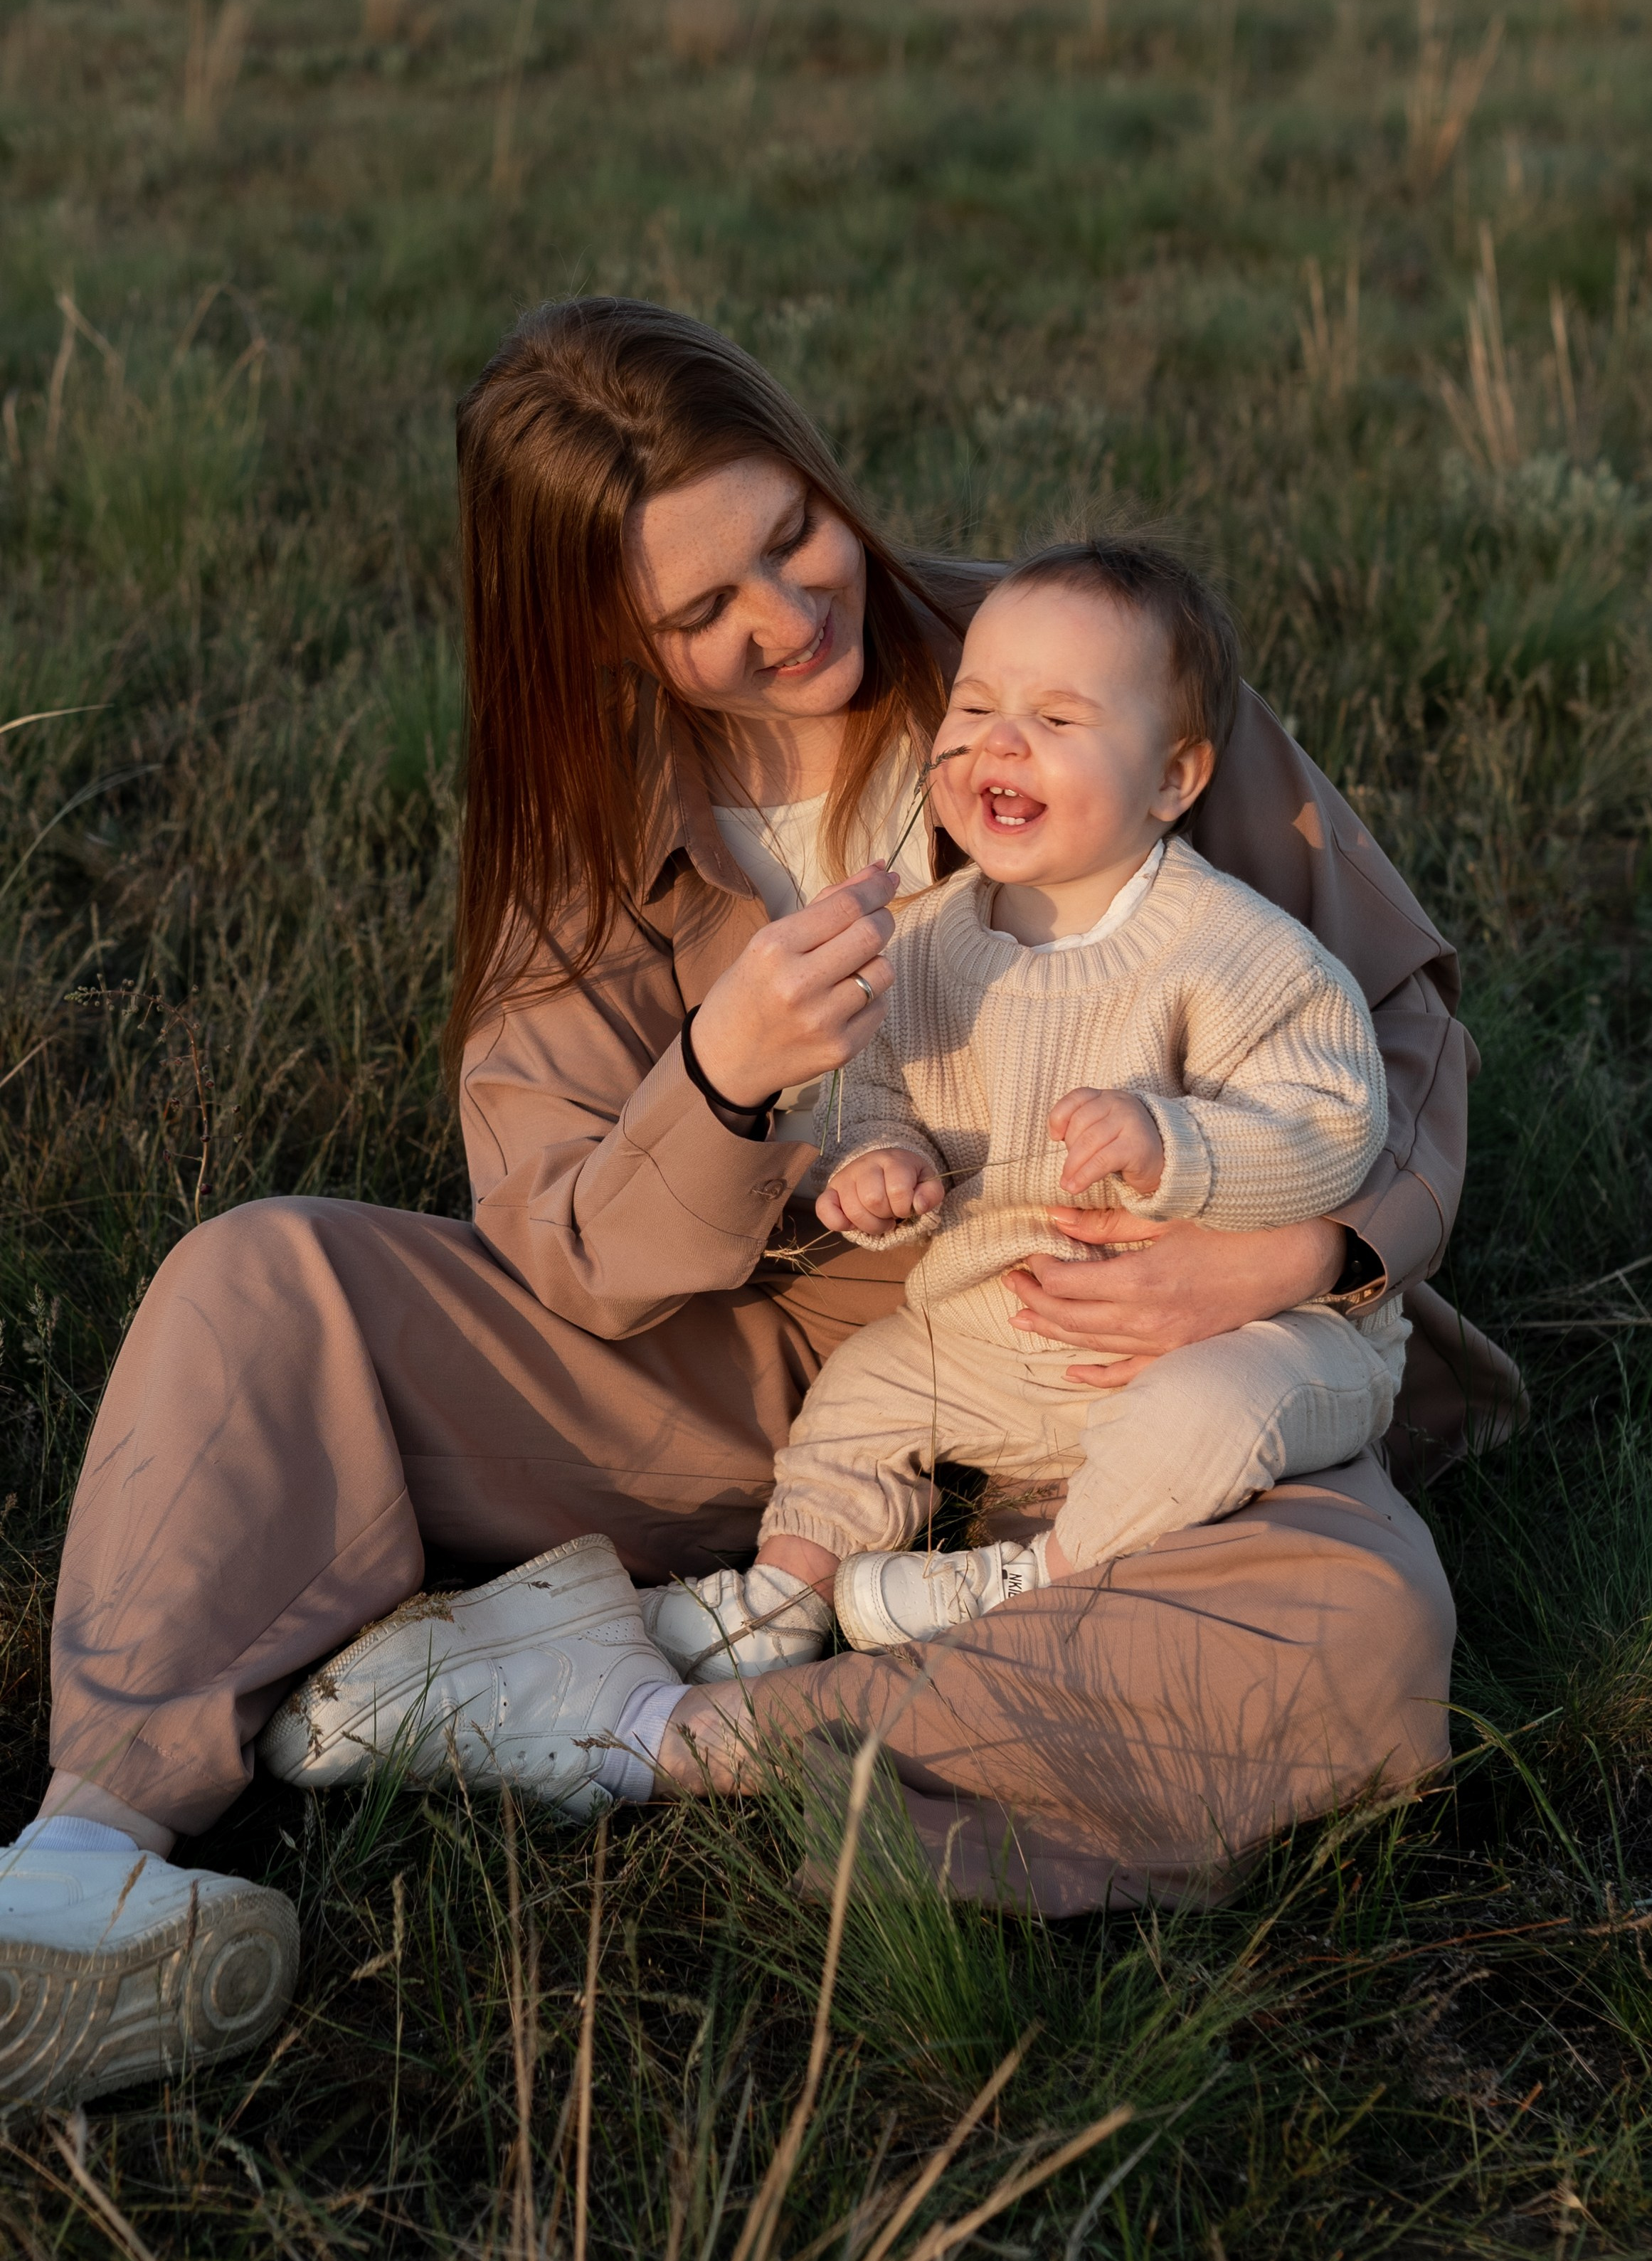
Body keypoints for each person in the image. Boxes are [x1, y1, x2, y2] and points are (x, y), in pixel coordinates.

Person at [0, 297, 1518, 2112]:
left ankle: (642, 1722)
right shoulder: (582, 826)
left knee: (1362, 1626)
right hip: (753, 1381)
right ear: (601, 634)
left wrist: (1302, 1251)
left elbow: (1400, 1017)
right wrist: (719, 1080)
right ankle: (81, 1862)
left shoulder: (1074, 657)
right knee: (263, 1276)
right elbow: (563, 1242)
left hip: (1146, 1367)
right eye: (705, 608)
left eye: (797, 533)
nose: (791, 616)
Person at [694, 535, 1412, 1666]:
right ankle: (780, 1595)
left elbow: (1332, 1127)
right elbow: (878, 1090)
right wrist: (880, 1159)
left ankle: (1034, 1581)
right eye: (975, 706)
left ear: (1172, 779)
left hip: (1238, 1329)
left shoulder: (1238, 953)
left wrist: (1177, 1145)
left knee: (1206, 1415)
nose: (1000, 740)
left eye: (1058, 719)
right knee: (866, 1386)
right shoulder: (925, 945)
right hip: (1006, 1332)